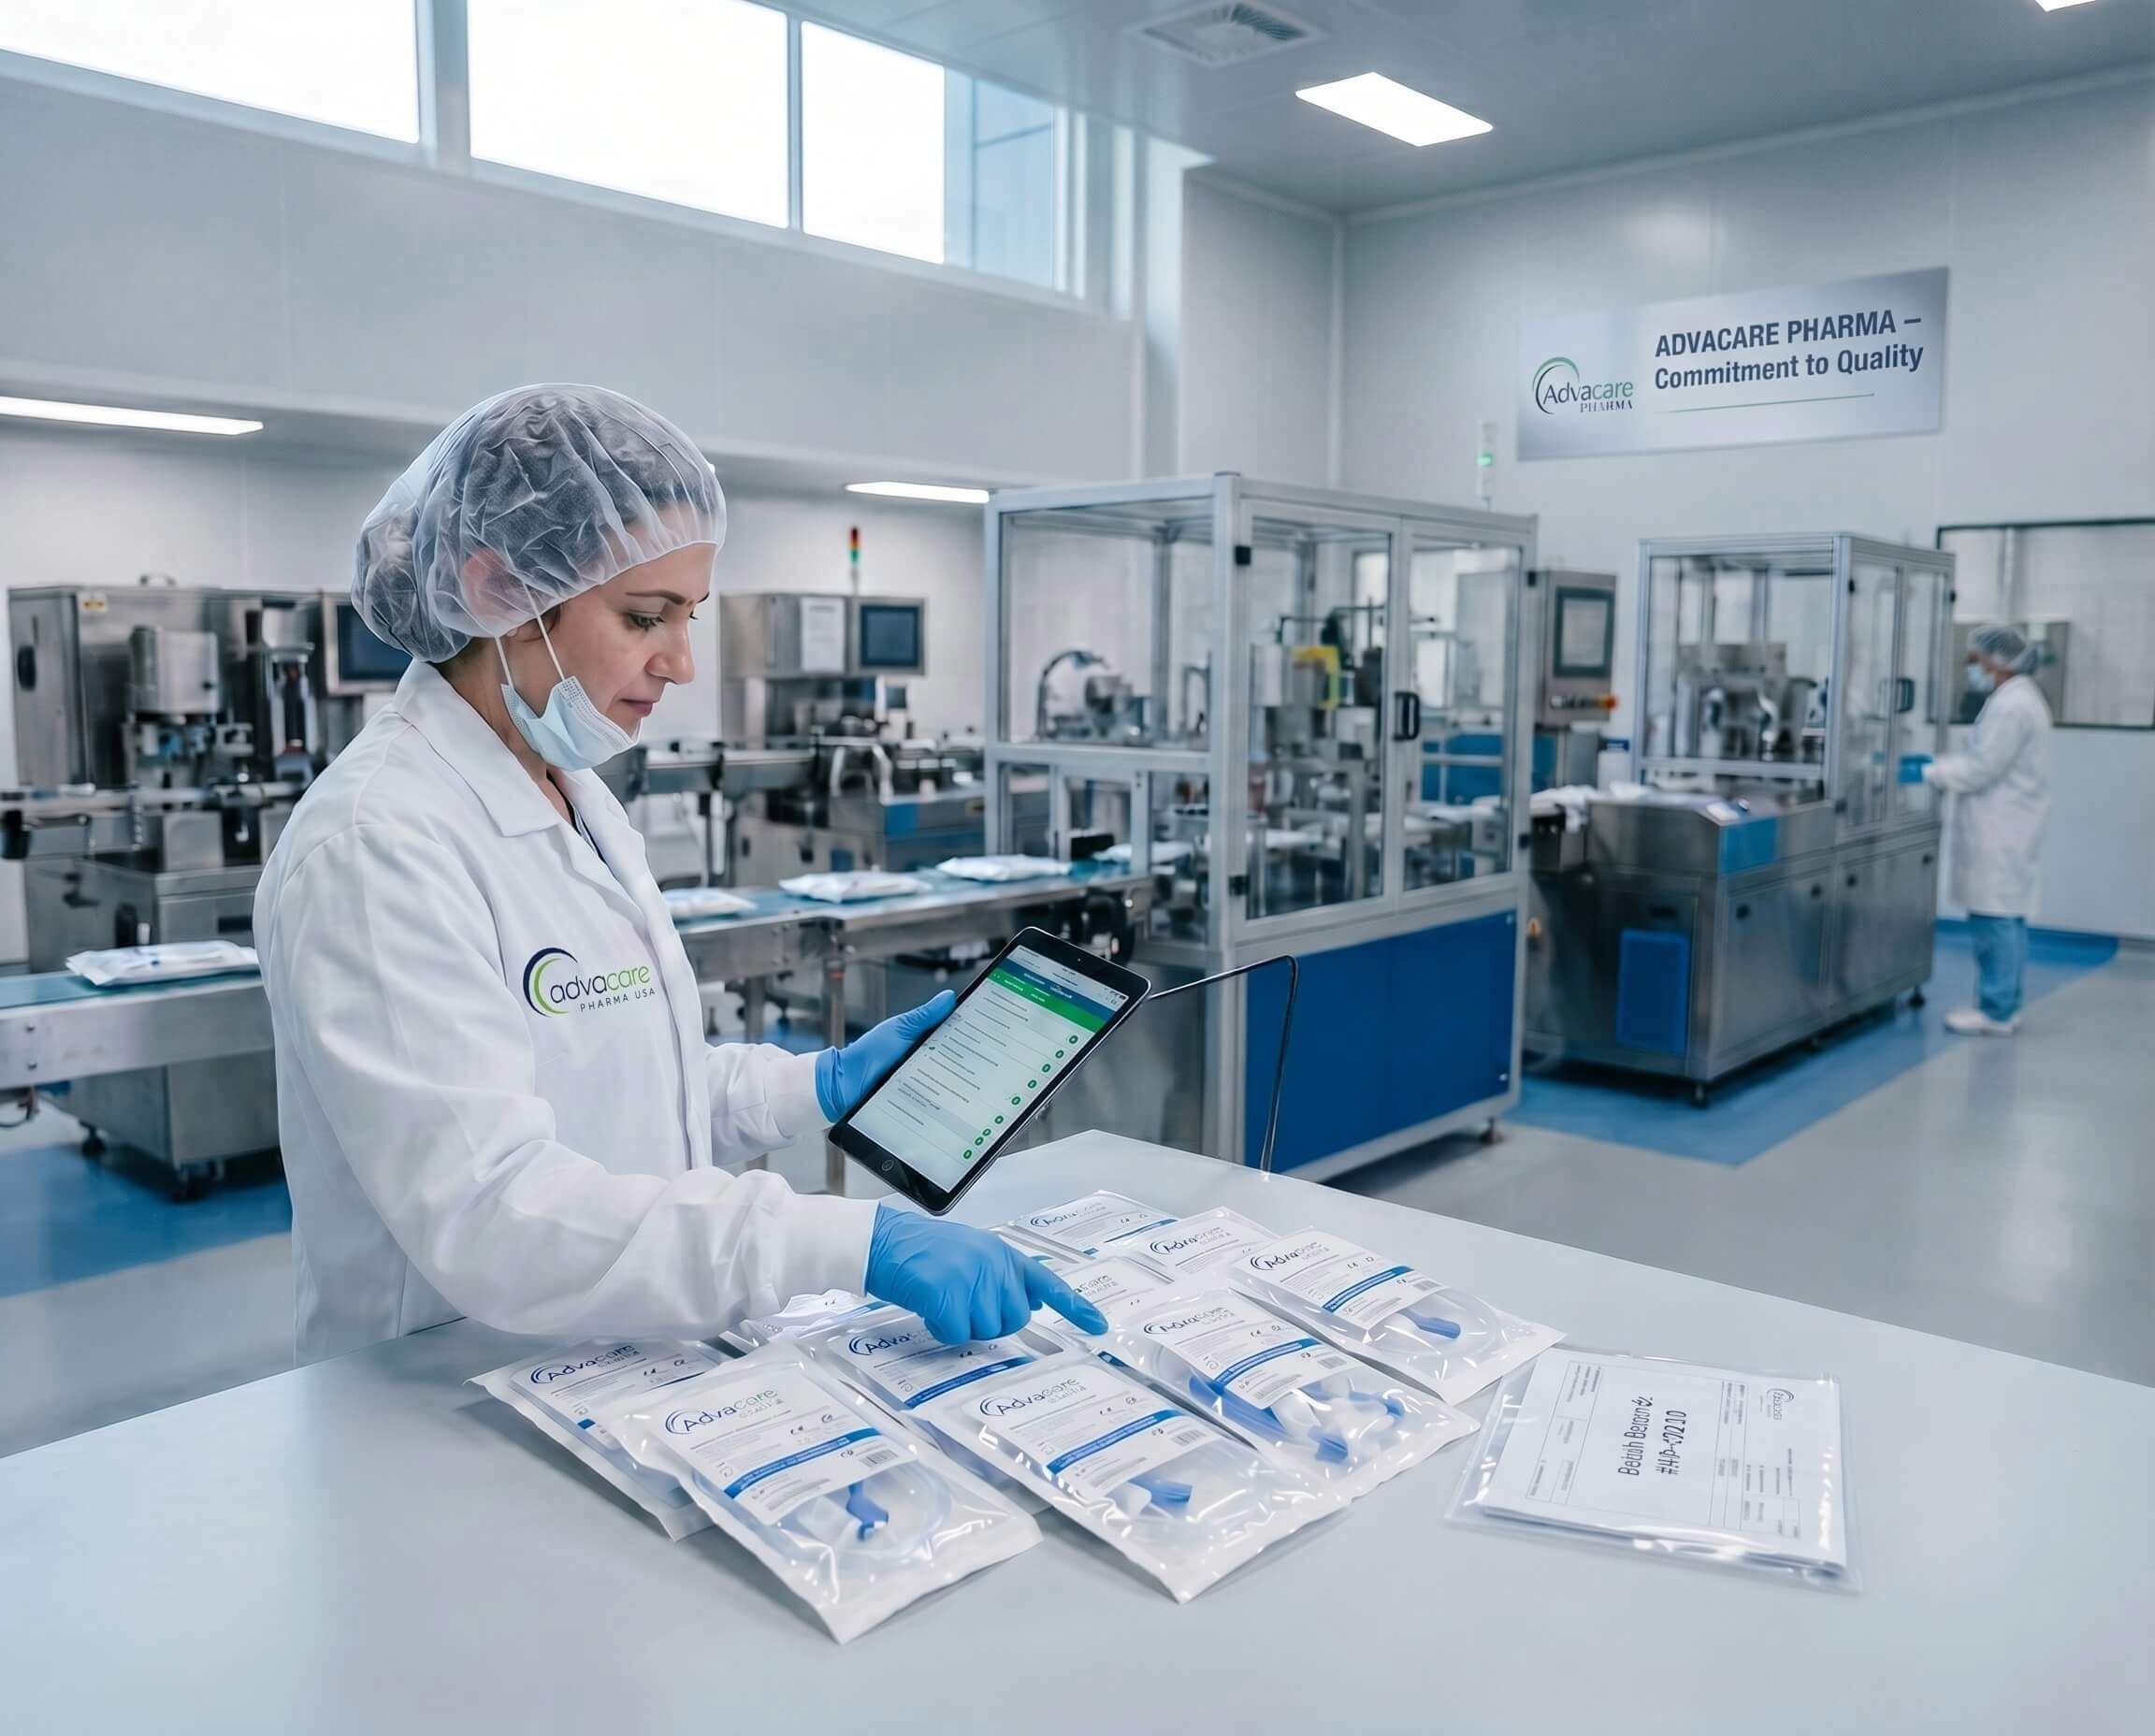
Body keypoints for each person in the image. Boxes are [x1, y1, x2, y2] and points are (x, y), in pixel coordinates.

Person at [254, 384, 1105, 1361]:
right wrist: (847, 1238)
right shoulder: (377, 845)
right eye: (645, 615)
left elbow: (622, 1086)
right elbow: (497, 1214)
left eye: (689, 615)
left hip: (615, 1370)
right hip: (449, 1388)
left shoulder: (574, 791)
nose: (681, 663)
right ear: (497, 592)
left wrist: (812, 1087)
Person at [1905, 623, 2052, 1036]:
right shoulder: (2017, 699)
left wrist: (1929, 771)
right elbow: (1982, 758)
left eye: (1978, 660)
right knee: (2006, 917)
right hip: (2008, 823)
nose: (1974, 668)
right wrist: (1940, 764)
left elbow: (1983, 769)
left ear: (1999, 661)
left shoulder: (2011, 706)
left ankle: (1996, 1010)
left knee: (1995, 919)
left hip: (2001, 825)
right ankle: (2006, 1003)